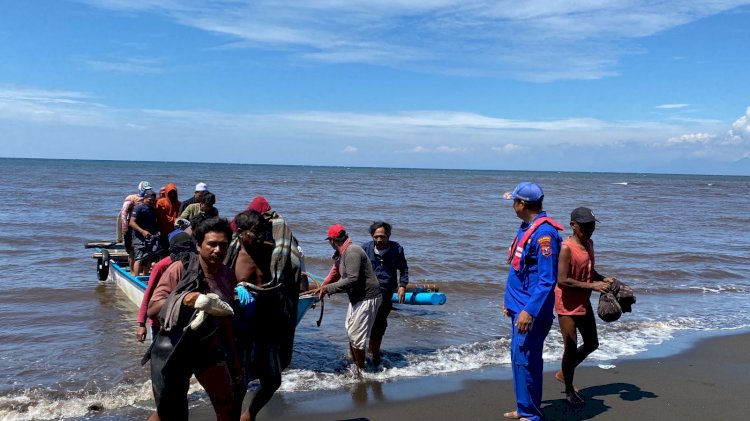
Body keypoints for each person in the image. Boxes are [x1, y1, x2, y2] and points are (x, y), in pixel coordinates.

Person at [146, 217, 240, 421]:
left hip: (209, 348)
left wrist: (233, 358)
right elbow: (152, 309)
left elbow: (226, 320)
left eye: (223, 245)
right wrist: (184, 299)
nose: (217, 250)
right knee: (170, 413)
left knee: (228, 407)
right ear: (198, 245)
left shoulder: (228, 275)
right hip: (175, 348)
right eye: (211, 244)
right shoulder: (180, 269)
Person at [501, 182, 564, 421]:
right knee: (519, 358)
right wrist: (508, 301)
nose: (512, 206)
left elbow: (547, 280)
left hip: (531, 310)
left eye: (514, 201)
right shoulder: (527, 227)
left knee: (526, 359)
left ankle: (531, 415)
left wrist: (529, 311)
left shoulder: (544, 234)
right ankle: (524, 407)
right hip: (518, 305)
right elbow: (520, 270)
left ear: (522, 204)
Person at [554, 207, 614, 404]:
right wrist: (593, 286)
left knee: (592, 343)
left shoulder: (589, 244)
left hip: (583, 301)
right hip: (566, 304)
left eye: (593, 225)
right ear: (573, 225)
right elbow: (562, 280)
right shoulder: (566, 248)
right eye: (586, 226)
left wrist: (602, 279)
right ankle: (569, 389)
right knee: (570, 347)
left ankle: (564, 372)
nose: (590, 229)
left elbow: (589, 270)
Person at [317, 224, 382, 373]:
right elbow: (334, 272)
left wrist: (328, 289)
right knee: (351, 332)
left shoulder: (352, 252)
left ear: (333, 240)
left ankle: (360, 372)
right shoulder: (342, 252)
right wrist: (322, 286)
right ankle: (354, 364)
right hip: (357, 298)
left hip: (368, 297)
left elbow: (352, 279)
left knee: (357, 337)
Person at [361, 221, 409, 366]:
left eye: (382, 237)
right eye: (376, 237)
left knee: (379, 324)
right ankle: (359, 356)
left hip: (386, 293)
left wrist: (402, 286)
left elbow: (404, 268)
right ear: (372, 237)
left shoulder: (397, 249)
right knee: (362, 324)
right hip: (367, 293)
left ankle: (374, 353)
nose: (379, 240)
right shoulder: (365, 249)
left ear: (388, 236)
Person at [136, 232, 194, 342]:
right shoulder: (161, 266)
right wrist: (141, 324)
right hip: (159, 322)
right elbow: (148, 294)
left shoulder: (193, 264)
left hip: (183, 320)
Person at [120, 181, 151, 268]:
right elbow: (124, 212)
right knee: (131, 250)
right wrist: (124, 227)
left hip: (143, 227)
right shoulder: (131, 198)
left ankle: (141, 269)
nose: (146, 192)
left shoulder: (149, 199)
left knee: (144, 249)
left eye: (148, 190)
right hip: (131, 226)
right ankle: (132, 270)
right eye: (145, 190)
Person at [130, 189, 160, 276]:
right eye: (150, 200)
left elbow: (155, 222)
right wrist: (142, 231)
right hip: (139, 237)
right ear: (144, 198)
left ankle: (145, 276)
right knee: (139, 258)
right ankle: (136, 279)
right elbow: (132, 222)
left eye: (153, 200)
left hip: (150, 236)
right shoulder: (139, 208)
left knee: (149, 258)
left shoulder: (153, 209)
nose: (151, 202)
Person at [155, 183, 180, 253]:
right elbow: (163, 217)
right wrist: (175, 220)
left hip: (174, 232)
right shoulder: (160, 203)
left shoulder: (179, 204)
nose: (172, 195)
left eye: (174, 193)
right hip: (162, 231)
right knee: (162, 251)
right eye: (170, 193)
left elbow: (181, 217)